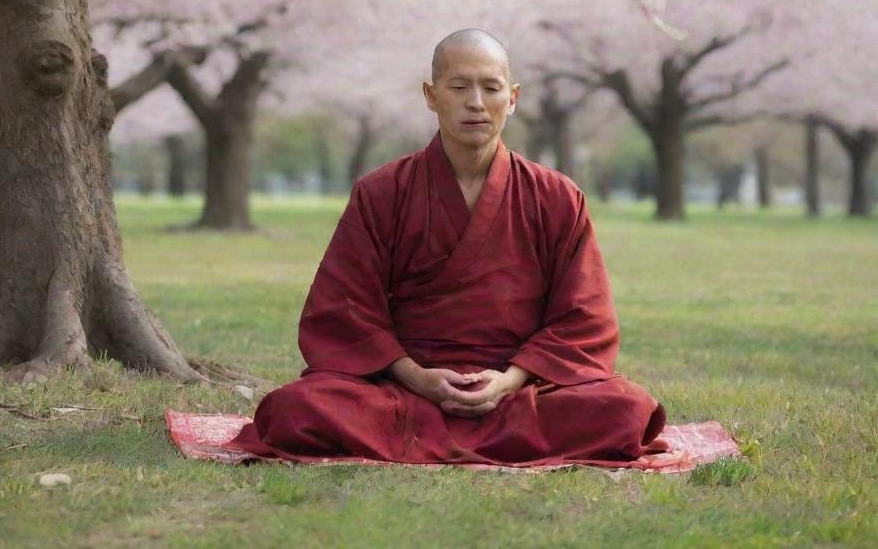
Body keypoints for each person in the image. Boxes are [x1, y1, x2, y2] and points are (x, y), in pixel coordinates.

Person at [224, 29, 666, 466]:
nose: (475, 102)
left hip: (518, 388)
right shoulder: (382, 192)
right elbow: (343, 310)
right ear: (431, 95)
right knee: (294, 410)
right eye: (458, 87)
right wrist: (418, 378)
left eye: (490, 88)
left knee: (625, 410)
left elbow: (583, 317)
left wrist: (509, 381)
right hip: (403, 387)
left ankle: (441, 433)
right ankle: (487, 436)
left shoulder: (556, 197)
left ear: (512, 98)